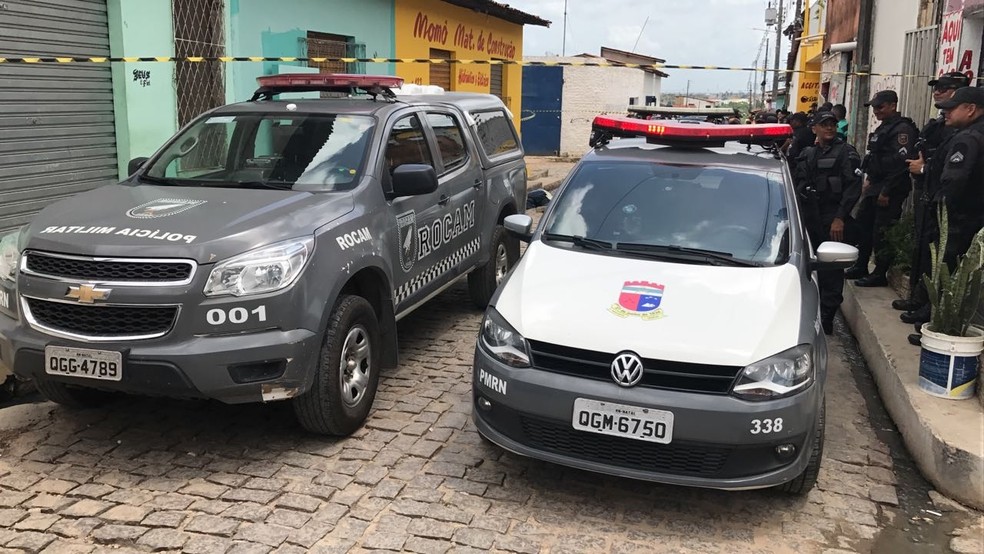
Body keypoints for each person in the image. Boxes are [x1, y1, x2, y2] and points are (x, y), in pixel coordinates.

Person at [906, 86, 984, 346]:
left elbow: (953, 181)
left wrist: (938, 208)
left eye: (952, 109)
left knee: (947, 271)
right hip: (972, 218)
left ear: (971, 109)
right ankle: (929, 314)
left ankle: (938, 329)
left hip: (958, 219)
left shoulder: (969, 138)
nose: (945, 113)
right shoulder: (969, 133)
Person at [795, 111, 863, 334]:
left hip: (832, 217)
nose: (829, 128)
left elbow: (853, 188)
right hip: (809, 217)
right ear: (814, 128)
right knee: (806, 266)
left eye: (832, 124)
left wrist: (839, 218)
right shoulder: (807, 153)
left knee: (831, 270)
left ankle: (826, 319)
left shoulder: (846, 152)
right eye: (824, 125)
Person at [848, 90, 919, 286]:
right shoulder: (885, 128)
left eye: (880, 107)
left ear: (892, 105)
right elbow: (876, 158)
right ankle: (861, 265)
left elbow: (900, 164)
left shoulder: (902, 129)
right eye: (874, 107)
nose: (876, 111)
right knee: (864, 227)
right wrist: (869, 180)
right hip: (876, 185)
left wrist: (886, 191)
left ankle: (879, 274)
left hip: (890, 189)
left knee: (882, 232)